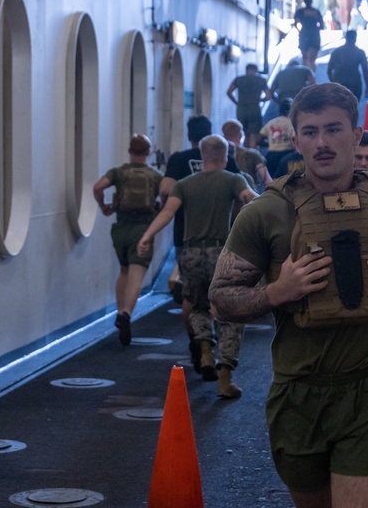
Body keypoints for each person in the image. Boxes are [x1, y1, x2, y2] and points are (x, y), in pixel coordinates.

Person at [208, 82, 368, 508]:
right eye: (310, 132)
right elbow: (220, 298)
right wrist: (278, 291)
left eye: (334, 129)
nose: (322, 142)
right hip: (298, 395)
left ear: (355, 136)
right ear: (295, 140)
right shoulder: (267, 211)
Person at [138, 134, 256, 399]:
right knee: (230, 312)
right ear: (225, 157)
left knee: (198, 305)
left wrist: (147, 236)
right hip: (220, 253)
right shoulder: (233, 179)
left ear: (202, 157)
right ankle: (225, 375)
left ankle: (204, 348)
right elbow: (250, 198)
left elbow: (167, 213)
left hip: (190, 254)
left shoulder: (184, 184)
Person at [162, 116, 241, 367]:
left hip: (186, 240)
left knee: (193, 300)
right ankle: (225, 368)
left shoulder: (177, 161)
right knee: (225, 302)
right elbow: (245, 192)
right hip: (221, 243)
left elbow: (165, 191)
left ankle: (198, 342)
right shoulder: (228, 169)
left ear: (189, 135)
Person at [93, 134, 163, 344]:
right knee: (136, 275)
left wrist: (104, 206)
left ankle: (119, 309)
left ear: (130, 150)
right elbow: (169, 191)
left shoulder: (118, 172)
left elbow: (98, 187)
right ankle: (126, 314)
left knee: (124, 270)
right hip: (144, 228)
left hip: (121, 228)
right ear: (148, 152)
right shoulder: (155, 176)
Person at [226, 63, 271, 148]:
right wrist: (260, 100)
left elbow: (229, 92)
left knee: (244, 134)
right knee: (253, 136)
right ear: (256, 71)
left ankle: (245, 157)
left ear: (246, 70)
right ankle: (253, 157)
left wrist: (236, 102)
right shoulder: (261, 80)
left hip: (241, 109)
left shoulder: (238, 79)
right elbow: (268, 96)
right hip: (255, 108)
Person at [222, 119, 272, 192]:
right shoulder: (253, 154)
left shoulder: (221, 156)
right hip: (250, 196)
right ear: (241, 135)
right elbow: (267, 180)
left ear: (224, 137)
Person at [327, 30, 368, 103]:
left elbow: (329, 70)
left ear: (346, 38)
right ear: (355, 39)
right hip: (355, 82)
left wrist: (333, 83)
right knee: (353, 106)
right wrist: (367, 87)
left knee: (339, 106)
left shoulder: (337, 51)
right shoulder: (359, 52)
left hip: (339, 81)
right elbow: (365, 70)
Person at [261, 99, 297, 175]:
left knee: (272, 180)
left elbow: (259, 139)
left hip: (271, 155)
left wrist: (272, 143)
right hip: (287, 154)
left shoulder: (271, 122)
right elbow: (295, 139)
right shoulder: (292, 122)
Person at [294, 0, 326, 71]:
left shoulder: (300, 12)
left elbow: (295, 23)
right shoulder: (316, 11)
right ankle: (312, 75)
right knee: (312, 60)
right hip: (314, 35)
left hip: (304, 34)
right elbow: (321, 26)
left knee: (305, 58)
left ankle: (304, 76)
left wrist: (299, 30)